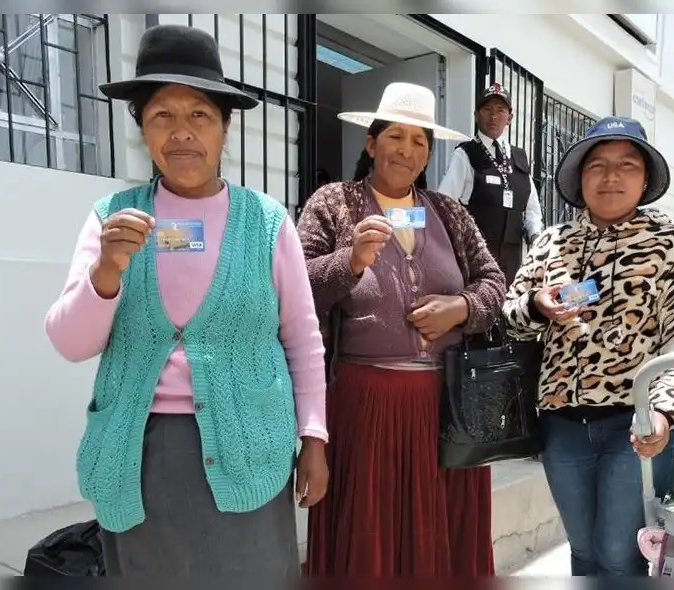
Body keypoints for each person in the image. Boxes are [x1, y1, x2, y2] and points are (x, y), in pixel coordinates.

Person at [43, 25, 328, 577]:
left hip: (250, 446)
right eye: (161, 117)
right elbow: (68, 342)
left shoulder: (267, 222)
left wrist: (312, 436)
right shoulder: (110, 219)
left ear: (224, 127)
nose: (181, 134)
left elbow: (301, 336)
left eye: (198, 115)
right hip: (142, 452)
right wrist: (107, 272)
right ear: (143, 132)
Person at [297, 82, 506, 577]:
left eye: (418, 140)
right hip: (364, 406)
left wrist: (461, 307)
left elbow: (494, 281)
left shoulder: (449, 212)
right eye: (395, 136)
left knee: (440, 537)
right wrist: (350, 261)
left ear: (429, 152)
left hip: (444, 408)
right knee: (370, 536)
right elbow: (296, 284)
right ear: (371, 144)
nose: (406, 150)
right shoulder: (334, 203)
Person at [503, 116, 674, 576]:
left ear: (645, 179)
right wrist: (537, 306)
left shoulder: (671, 246)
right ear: (580, 178)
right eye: (597, 165)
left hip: (635, 427)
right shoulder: (551, 243)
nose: (611, 176)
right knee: (582, 550)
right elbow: (510, 319)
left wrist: (662, 412)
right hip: (561, 426)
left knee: (621, 554)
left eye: (626, 165)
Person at [437, 83, 543, 284]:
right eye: (487, 109)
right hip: (477, 258)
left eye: (500, 110)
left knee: (507, 310)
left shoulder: (520, 158)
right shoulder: (465, 154)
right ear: (476, 115)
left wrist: (536, 238)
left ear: (510, 118)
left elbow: (532, 210)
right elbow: (445, 204)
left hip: (512, 261)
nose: (494, 116)